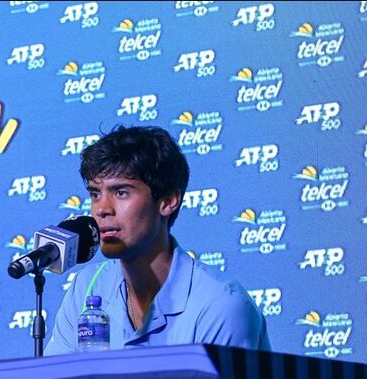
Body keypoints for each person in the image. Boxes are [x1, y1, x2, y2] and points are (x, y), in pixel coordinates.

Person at [46, 125, 270, 355]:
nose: (102, 209)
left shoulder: (220, 305)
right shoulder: (87, 286)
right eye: (95, 194)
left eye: (121, 192)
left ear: (168, 201)